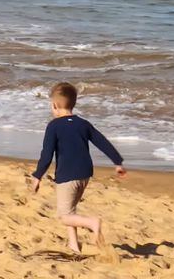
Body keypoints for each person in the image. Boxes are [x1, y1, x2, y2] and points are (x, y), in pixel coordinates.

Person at [29, 81, 127, 253]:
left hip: (67, 176)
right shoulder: (83, 124)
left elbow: (46, 155)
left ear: (54, 105)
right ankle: (74, 246)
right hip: (85, 174)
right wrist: (117, 161)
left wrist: (38, 176)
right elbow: (102, 142)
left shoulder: (53, 126)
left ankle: (92, 223)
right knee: (71, 210)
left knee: (64, 216)